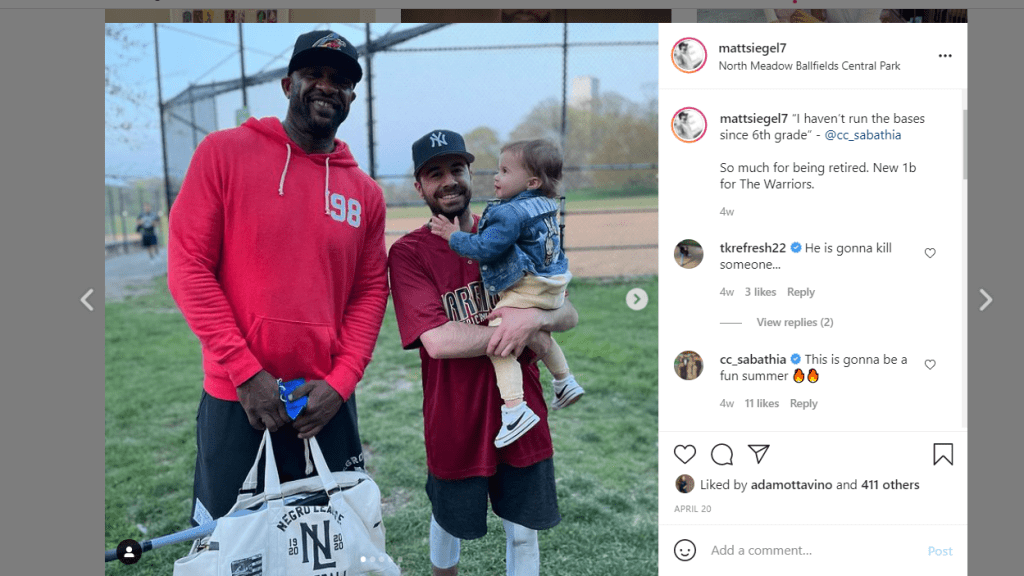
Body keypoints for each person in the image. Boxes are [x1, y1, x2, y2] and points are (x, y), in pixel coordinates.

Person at [167, 30, 388, 527]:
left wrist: (342, 381)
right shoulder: (223, 154)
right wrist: (245, 373)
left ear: (353, 96)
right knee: (229, 546)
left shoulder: (365, 194)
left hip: (324, 404)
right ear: (289, 84)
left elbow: (371, 292)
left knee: (332, 546)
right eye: (315, 74)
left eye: (341, 80)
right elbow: (188, 268)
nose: (327, 87)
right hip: (238, 400)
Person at [388, 129, 579, 576]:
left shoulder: (513, 226)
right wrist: (514, 326)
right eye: (434, 174)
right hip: (453, 413)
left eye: (456, 169)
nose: (448, 181)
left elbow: (567, 313)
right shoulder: (409, 252)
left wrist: (531, 320)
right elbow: (437, 340)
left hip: (522, 409)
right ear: (420, 187)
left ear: (471, 174)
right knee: (448, 519)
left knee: (522, 529)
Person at [428, 139, 584, 448]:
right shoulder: (546, 203)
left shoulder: (510, 213)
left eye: (504, 171)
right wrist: (535, 321)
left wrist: (454, 236)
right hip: (553, 283)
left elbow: (485, 247)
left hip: (529, 286)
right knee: (540, 336)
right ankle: (565, 380)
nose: (496, 177)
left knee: (500, 341)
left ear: (532, 181)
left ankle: (514, 409)